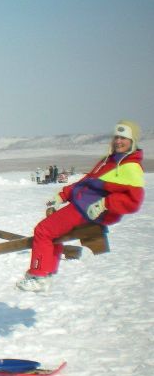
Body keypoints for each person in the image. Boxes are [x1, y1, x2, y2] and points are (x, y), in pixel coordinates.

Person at [16, 119, 145, 292]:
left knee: (43, 231)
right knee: (54, 233)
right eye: (116, 137)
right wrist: (63, 195)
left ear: (132, 141)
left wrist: (105, 203)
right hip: (83, 205)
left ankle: (39, 276)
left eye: (124, 138)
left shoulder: (131, 167)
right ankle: (46, 272)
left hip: (88, 210)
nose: (118, 141)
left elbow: (134, 202)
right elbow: (87, 182)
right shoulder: (109, 161)